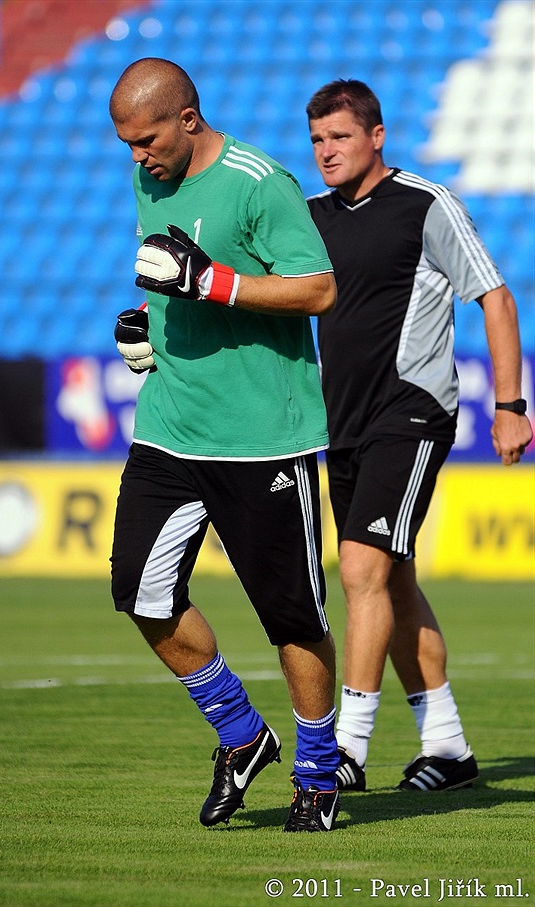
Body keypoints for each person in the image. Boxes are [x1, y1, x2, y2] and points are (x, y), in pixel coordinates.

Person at [109, 58, 341, 832]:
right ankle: (243, 736)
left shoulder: (258, 181)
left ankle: (316, 773)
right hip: (169, 428)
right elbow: (170, 277)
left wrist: (213, 286)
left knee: (293, 620)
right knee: (139, 594)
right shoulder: (150, 178)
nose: (137, 158)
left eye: (146, 140)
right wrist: (148, 334)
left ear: (188, 118)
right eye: (126, 145)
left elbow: (317, 288)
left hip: (262, 440)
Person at [304, 79, 532, 792]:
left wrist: (510, 402)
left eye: (339, 137)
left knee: (360, 571)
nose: (326, 152)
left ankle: (346, 747)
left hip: (410, 413)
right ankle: (450, 747)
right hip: (340, 425)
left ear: (377, 136)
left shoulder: (426, 204)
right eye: (316, 140)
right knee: (391, 580)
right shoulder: (309, 218)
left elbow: (494, 294)